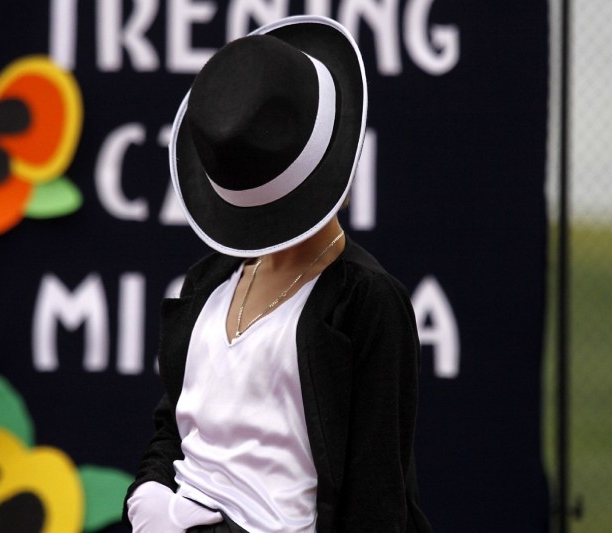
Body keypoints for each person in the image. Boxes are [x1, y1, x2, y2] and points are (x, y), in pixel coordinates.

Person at [125, 15, 431, 533]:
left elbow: (376, 497)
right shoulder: (207, 282)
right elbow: (173, 427)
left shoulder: (367, 302)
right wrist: (149, 495)